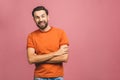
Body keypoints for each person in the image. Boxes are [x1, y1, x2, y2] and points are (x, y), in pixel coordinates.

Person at [26, 6, 69, 80]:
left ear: (48, 17)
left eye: (43, 16)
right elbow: (31, 59)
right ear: (34, 20)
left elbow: (64, 58)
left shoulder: (61, 33)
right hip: (39, 77)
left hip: (57, 77)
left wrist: (39, 57)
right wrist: (56, 53)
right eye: (37, 17)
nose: (41, 19)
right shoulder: (31, 36)